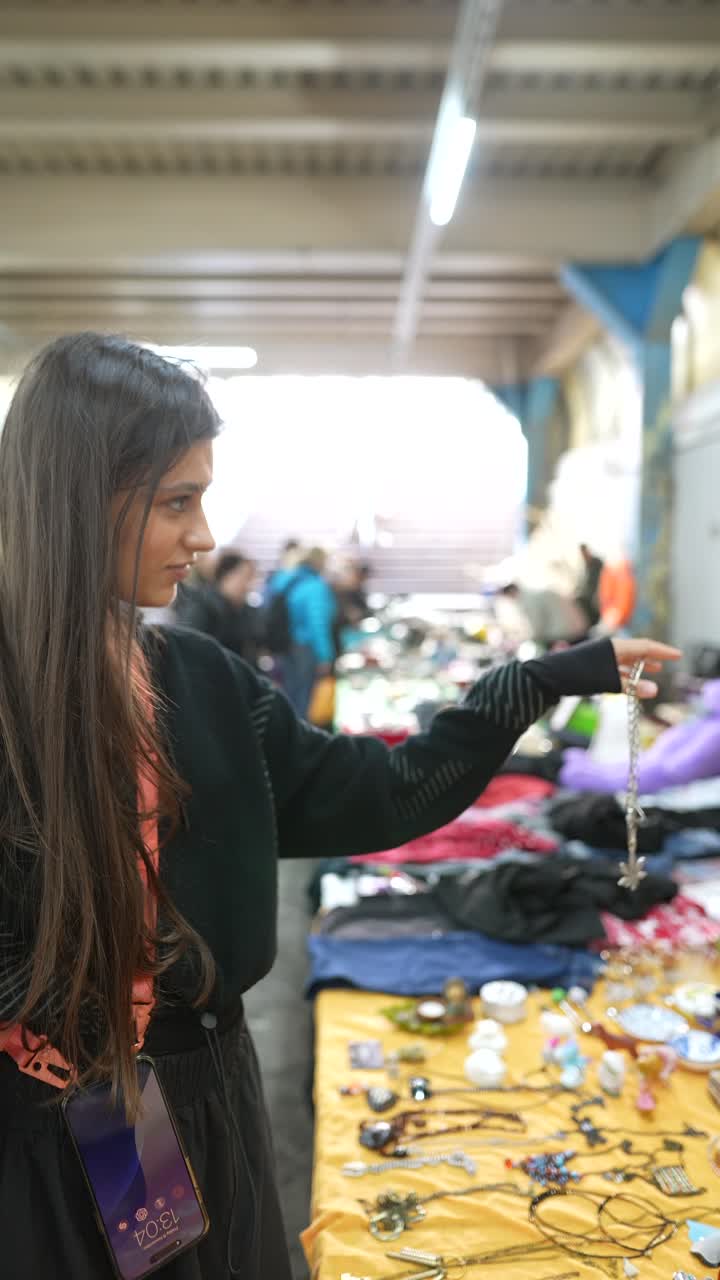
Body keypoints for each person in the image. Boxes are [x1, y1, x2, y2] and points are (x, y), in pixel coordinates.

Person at [0, 332, 679, 1280]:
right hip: (61, 1122)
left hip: (198, 1093)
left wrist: (535, 683)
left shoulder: (198, 680)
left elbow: (381, 790)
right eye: (176, 503)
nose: (203, 536)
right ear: (80, 501)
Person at [272, 546, 337, 718]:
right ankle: (300, 737)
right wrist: (325, 656)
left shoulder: (285, 579)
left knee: (290, 693)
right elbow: (318, 623)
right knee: (303, 698)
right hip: (305, 647)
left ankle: (289, 732)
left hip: (285, 644)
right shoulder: (314, 586)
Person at [175, 550, 260, 666]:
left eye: (252, 578)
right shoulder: (202, 606)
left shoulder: (244, 610)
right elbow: (187, 646)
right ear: (226, 576)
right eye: (245, 577)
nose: (249, 585)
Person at [498, 582, 588, 649]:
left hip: (566, 636)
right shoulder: (533, 592)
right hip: (576, 630)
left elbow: (537, 629)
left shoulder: (528, 599)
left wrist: (519, 640)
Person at [577, 543, 604, 628]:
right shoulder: (586, 566)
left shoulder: (597, 563)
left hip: (598, 596)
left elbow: (602, 581)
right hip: (589, 597)